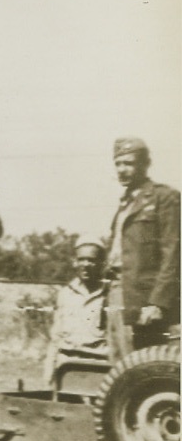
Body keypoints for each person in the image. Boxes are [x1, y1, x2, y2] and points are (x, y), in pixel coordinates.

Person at [105, 136, 180, 361]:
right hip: (117, 293)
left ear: (145, 164)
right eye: (118, 164)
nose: (122, 170)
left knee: (143, 367)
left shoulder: (164, 198)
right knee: (118, 367)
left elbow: (174, 253)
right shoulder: (125, 203)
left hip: (144, 300)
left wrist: (157, 302)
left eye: (128, 163)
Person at [44, 238, 108, 386]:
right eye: (81, 260)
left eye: (91, 260)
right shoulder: (65, 294)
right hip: (66, 366)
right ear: (74, 262)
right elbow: (56, 337)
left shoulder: (110, 295)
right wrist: (49, 371)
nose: (85, 265)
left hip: (98, 367)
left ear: (102, 264)